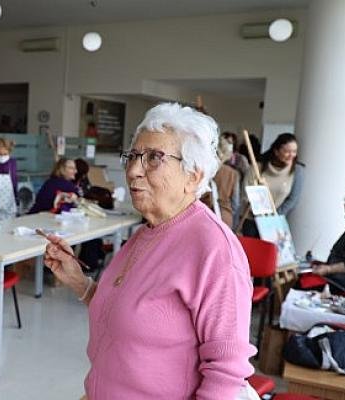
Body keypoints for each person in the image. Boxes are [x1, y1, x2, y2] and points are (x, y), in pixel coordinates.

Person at [43, 102, 255, 398]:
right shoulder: (146, 233)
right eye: (132, 157)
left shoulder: (214, 250)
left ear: (193, 174)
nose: (132, 171)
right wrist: (80, 283)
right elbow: (128, 317)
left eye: (153, 158)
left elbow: (227, 373)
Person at [258, 133, 304, 216]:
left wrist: (275, 215)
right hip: (253, 217)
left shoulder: (297, 170)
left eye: (294, 151)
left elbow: (293, 199)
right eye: (287, 151)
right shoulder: (259, 167)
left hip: (276, 219)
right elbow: (247, 192)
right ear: (276, 151)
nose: (291, 155)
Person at [201, 135, 240, 227]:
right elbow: (235, 203)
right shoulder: (233, 173)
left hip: (203, 215)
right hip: (225, 217)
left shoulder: (203, 170)